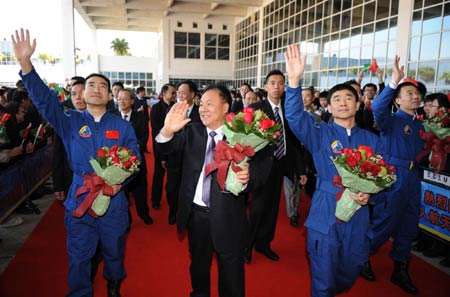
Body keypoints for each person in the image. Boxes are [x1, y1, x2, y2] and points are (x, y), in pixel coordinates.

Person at [12, 29, 140, 297]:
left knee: (114, 252)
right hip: (80, 200)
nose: (96, 89)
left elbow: (135, 158)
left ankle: (114, 283)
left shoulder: (121, 126)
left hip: (114, 202)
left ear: (109, 96)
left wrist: (120, 183)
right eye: (91, 85)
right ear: (83, 92)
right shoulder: (69, 120)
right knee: (79, 258)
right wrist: (26, 64)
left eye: (102, 86)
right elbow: (45, 101)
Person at [284, 44, 383, 297]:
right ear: (328, 106)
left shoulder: (371, 139)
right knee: (323, 275)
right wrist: (294, 82)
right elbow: (295, 117)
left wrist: (370, 196)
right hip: (326, 209)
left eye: (349, 98)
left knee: (352, 266)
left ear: (358, 104)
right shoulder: (319, 133)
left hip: (358, 214)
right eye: (336, 99)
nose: (342, 103)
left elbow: (384, 178)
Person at [155, 85, 257, 297]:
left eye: (210, 104)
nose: (203, 109)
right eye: (201, 104)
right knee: (199, 265)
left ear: (225, 107)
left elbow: (263, 174)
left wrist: (247, 179)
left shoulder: (242, 136)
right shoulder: (192, 131)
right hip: (197, 215)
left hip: (229, 216)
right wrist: (167, 131)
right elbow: (165, 149)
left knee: (231, 270)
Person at [369, 55, 425, 295]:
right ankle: (361, 257)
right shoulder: (390, 120)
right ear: (398, 99)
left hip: (414, 179)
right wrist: (393, 81)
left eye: (417, 93)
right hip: (395, 178)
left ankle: (400, 270)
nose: (415, 96)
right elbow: (377, 107)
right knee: (384, 222)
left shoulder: (420, 125)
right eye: (409, 92)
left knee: (408, 226)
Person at [245, 70, 305, 263]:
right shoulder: (256, 109)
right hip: (261, 167)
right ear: (265, 86)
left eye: (281, 83)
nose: (276, 87)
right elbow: (246, 140)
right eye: (272, 83)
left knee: (272, 210)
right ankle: (247, 247)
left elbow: (294, 143)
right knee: (257, 209)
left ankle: (264, 244)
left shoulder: (289, 111)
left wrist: (301, 169)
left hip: (280, 166)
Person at [117, 88, 153, 225]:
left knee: (140, 191)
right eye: (119, 99)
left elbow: (144, 136)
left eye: (125, 99)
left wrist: (133, 152)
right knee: (122, 192)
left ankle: (144, 214)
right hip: (117, 162)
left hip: (136, 160)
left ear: (132, 101)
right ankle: (126, 219)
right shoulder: (112, 117)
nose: (122, 102)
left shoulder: (140, 117)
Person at [53, 79, 87, 201]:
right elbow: (58, 154)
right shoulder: (64, 121)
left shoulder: (102, 119)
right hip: (71, 180)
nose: (78, 97)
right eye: (73, 94)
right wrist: (58, 184)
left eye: (82, 93)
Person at [150, 83, 177, 224]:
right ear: (164, 93)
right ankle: (155, 199)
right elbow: (156, 129)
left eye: (175, 93)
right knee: (159, 172)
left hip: (174, 146)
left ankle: (172, 197)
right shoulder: (156, 108)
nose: (174, 95)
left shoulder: (174, 107)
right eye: (172, 92)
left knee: (172, 172)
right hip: (159, 144)